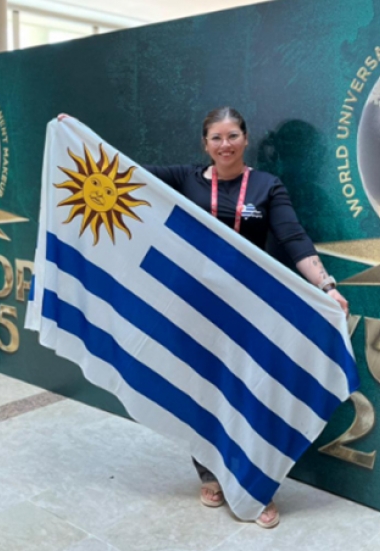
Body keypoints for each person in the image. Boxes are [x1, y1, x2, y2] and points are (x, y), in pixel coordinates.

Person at [144, 107, 349, 529]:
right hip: (197, 307)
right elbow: (121, 173)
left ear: (246, 138)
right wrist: (74, 136)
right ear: (205, 144)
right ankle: (209, 472)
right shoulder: (185, 178)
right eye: (216, 138)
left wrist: (327, 286)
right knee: (202, 392)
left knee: (251, 393)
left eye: (233, 136)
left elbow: (293, 238)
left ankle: (257, 485)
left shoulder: (266, 186)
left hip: (250, 313)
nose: (225, 145)